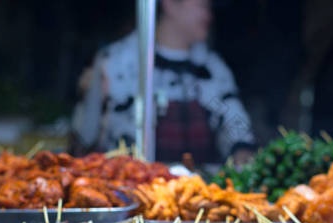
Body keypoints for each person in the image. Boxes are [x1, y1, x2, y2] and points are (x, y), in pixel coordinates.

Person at [72, 0, 254, 164]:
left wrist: (242, 149)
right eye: (202, 6)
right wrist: (90, 98)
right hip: (129, 188)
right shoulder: (113, 63)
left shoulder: (211, 68)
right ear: (169, 4)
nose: (209, 15)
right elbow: (82, 141)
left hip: (197, 189)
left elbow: (234, 122)